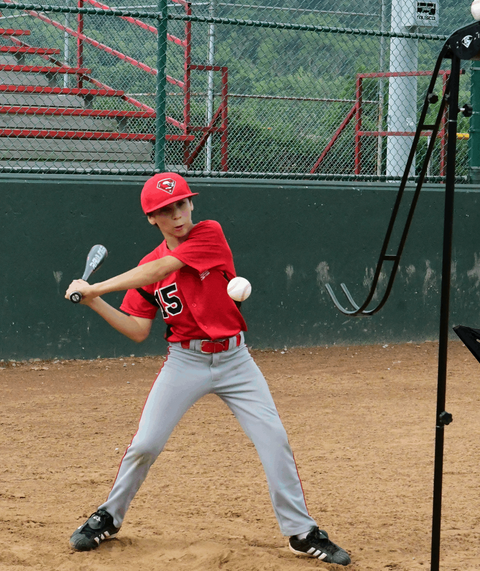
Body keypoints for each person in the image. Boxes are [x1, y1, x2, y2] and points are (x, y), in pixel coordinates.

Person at [64, 172, 351, 566]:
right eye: (165, 210)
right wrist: (93, 302)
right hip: (185, 360)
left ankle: (300, 532)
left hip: (236, 360)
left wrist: (95, 287)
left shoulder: (208, 234)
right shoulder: (144, 268)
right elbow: (136, 330)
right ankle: (109, 517)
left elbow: (160, 268)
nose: (177, 215)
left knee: (274, 441)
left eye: (181, 204)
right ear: (152, 219)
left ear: (191, 204)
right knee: (144, 445)